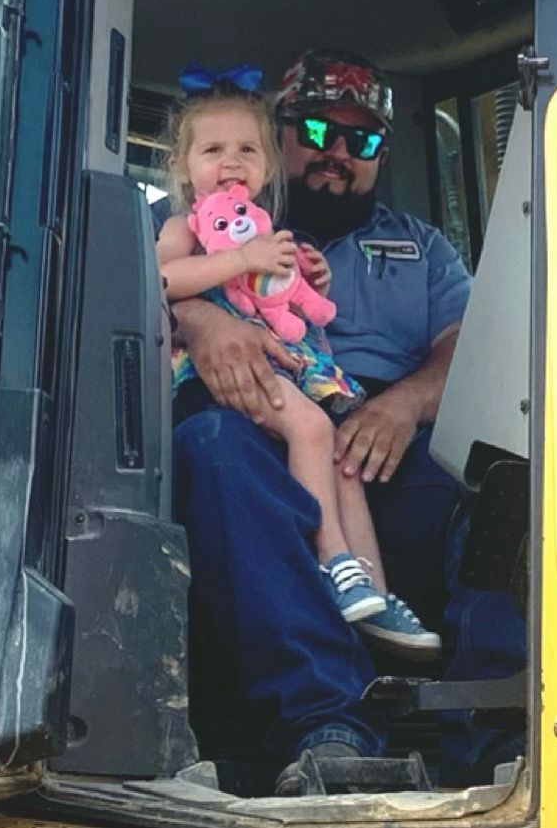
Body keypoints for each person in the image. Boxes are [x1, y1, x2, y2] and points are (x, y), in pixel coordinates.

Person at [164, 50, 525, 793]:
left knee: (495, 481)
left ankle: (495, 734)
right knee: (215, 450)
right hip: (248, 414)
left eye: (361, 139)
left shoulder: (423, 248)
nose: (338, 152)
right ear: (282, 138)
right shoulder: (206, 223)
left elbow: (468, 345)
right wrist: (202, 321)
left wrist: (403, 404)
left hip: (380, 433)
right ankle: (328, 720)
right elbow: (150, 281)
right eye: (319, 131)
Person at [156, 70, 441, 651]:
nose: (231, 162)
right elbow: (160, 280)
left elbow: (283, 299)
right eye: (213, 150)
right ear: (182, 167)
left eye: (247, 150)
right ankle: (334, 562)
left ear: (266, 166)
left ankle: (373, 595)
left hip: (290, 364)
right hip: (220, 377)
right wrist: (241, 260)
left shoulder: (267, 230)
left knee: (344, 460)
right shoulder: (184, 227)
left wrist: (309, 279)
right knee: (311, 429)